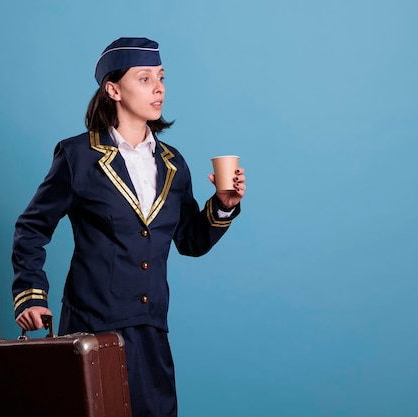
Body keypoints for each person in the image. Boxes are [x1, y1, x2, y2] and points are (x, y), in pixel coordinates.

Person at [12, 37, 246, 417]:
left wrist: (222, 207)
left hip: (151, 331)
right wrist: (31, 293)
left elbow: (188, 240)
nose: (158, 88)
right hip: (91, 329)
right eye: (144, 78)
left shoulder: (173, 164)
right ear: (113, 89)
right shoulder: (78, 155)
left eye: (162, 77)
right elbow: (32, 227)